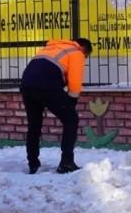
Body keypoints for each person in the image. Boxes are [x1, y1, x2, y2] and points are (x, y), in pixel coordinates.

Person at [20, 38, 92, 174]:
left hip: (26, 84)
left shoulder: (51, 48)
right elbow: (75, 82)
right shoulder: (76, 52)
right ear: (83, 48)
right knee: (71, 119)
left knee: (34, 124)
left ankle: (33, 163)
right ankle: (66, 162)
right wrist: (72, 103)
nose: (84, 58)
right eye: (86, 56)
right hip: (46, 84)